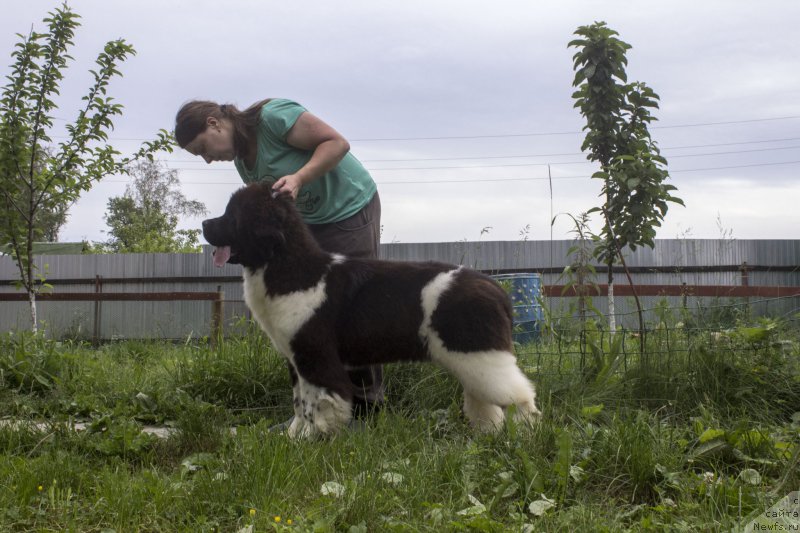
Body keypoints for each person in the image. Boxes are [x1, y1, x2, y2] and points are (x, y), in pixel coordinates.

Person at [175, 98, 383, 422]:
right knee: (296, 314)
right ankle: (308, 411)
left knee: (352, 309)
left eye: (203, 148)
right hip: (307, 222)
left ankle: (367, 410)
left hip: (349, 208)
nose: (207, 159)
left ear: (214, 123)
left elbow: (337, 143)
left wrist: (299, 178)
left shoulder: (273, 119)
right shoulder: (244, 163)